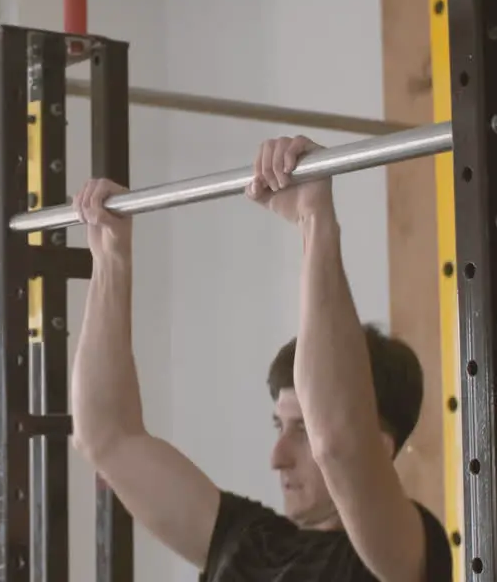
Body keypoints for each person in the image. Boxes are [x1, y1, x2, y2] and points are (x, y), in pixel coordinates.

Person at [69, 135, 454, 582]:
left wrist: (316, 221)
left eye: (301, 429)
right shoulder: (243, 540)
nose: (277, 457)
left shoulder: (401, 557)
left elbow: (341, 444)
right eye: (280, 425)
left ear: (382, 446)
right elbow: (106, 436)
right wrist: (111, 257)